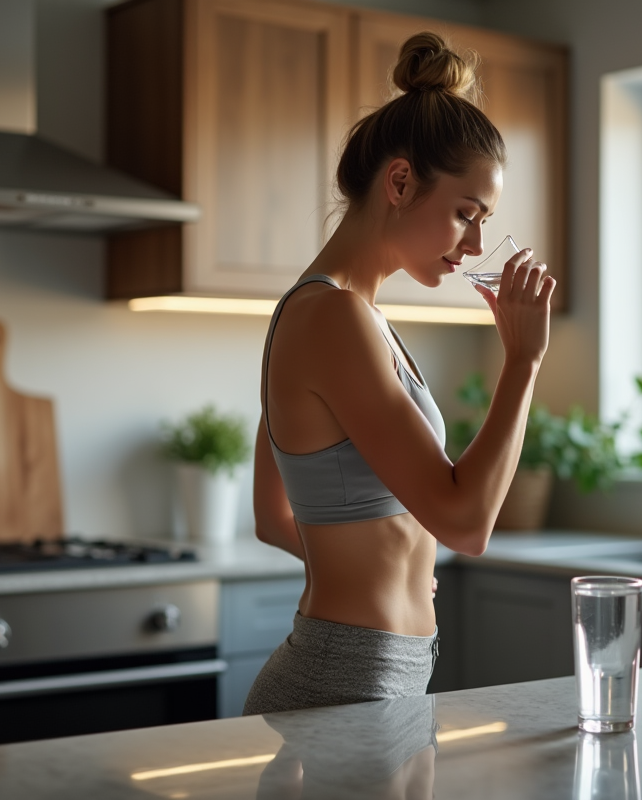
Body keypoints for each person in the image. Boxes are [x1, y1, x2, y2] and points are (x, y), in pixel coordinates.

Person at [245, 31, 556, 716]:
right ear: (399, 181)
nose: (475, 245)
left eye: (483, 222)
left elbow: (274, 517)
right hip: (345, 680)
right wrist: (524, 360)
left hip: (367, 670)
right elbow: (467, 524)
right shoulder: (335, 320)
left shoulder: (341, 314)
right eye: (464, 215)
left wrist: (386, 566)